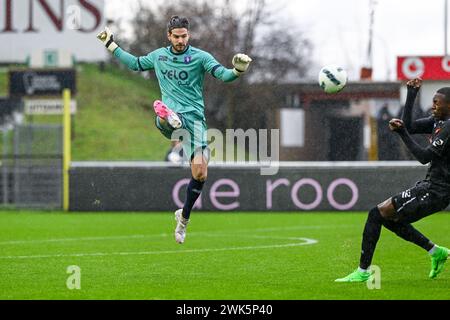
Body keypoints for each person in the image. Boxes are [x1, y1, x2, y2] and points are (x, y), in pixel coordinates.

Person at [97, 16, 252, 244]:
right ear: (168, 36)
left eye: (184, 36)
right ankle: (167, 116)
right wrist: (111, 44)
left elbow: (223, 74)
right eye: (176, 36)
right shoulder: (159, 56)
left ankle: (184, 218)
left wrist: (238, 70)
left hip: (195, 122)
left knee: (200, 173)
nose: (180, 40)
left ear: (188, 35)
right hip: (170, 118)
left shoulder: (200, 57)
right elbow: (135, 63)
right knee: (169, 120)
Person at [336, 78, 450, 282]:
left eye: (437, 102)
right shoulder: (439, 122)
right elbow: (411, 125)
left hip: (438, 191)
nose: (433, 106)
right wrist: (411, 94)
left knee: (376, 214)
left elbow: (424, 157)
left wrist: (402, 134)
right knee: (386, 217)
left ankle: (363, 272)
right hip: (431, 186)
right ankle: (435, 251)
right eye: (432, 101)